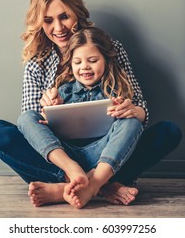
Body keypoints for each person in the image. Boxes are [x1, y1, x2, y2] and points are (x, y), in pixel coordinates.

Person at [0, 0, 182, 208]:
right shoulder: (37, 62)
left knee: (168, 131)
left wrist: (134, 110)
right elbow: (31, 128)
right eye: (48, 20)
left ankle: (68, 188)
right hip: (61, 155)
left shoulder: (109, 47)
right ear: (40, 23)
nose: (58, 28)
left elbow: (136, 110)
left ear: (77, 12)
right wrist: (48, 109)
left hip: (107, 149)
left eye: (64, 16)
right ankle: (97, 184)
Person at [17, 27, 145, 208]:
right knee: (26, 118)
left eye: (92, 60)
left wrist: (129, 112)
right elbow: (43, 129)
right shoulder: (63, 91)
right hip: (67, 154)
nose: (84, 66)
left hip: (103, 155)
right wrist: (51, 114)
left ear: (106, 61)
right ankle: (77, 174)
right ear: (70, 64)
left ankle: (91, 185)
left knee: (133, 121)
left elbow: (126, 132)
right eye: (77, 62)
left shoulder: (117, 92)